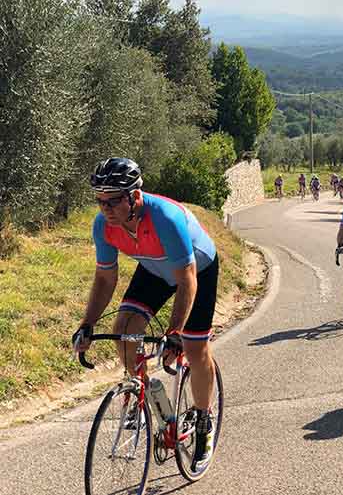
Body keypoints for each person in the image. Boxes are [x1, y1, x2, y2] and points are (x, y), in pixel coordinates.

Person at [72, 158, 219, 472]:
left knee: (194, 348)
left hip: (197, 271)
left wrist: (175, 331)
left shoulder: (165, 217)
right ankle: (143, 390)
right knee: (124, 328)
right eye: (100, 201)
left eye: (113, 200)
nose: (106, 209)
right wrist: (87, 323)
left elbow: (187, 279)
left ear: (135, 197)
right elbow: (104, 278)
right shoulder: (104, 226)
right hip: (154, 268)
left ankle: (204, 421)